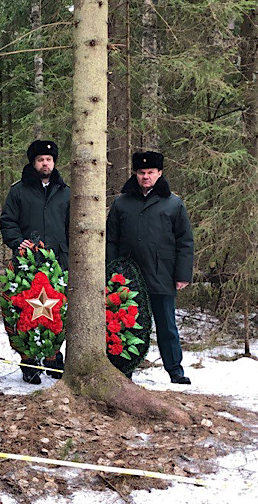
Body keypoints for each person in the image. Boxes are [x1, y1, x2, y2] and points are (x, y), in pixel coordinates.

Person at [106, 150, 194, 384]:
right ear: (135, 173)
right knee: (126, 324)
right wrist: (111, 271)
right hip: (127, 277)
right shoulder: (122, 203)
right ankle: (125, 368)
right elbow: (111, 240)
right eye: (142, 172)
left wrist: (182, 274)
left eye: (150, 172)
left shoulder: (173, 203)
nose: (146, 177)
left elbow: (184, 241)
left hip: (162, 274)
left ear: (159, 173)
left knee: (166, 326)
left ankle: (175, 370)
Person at [0, 139, 70, 384]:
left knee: (57, 312)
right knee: (23, 312)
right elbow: (7, 221)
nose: (45, 163)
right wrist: (17, 242)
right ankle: (28, 360)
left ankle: (52, 357)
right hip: (26, 266)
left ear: (54, 162)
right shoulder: (18, 191)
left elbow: (73, 227)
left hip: (56, 265)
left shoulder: (65, 191)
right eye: (40, 160)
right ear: (33, 163)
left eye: (49, 159)